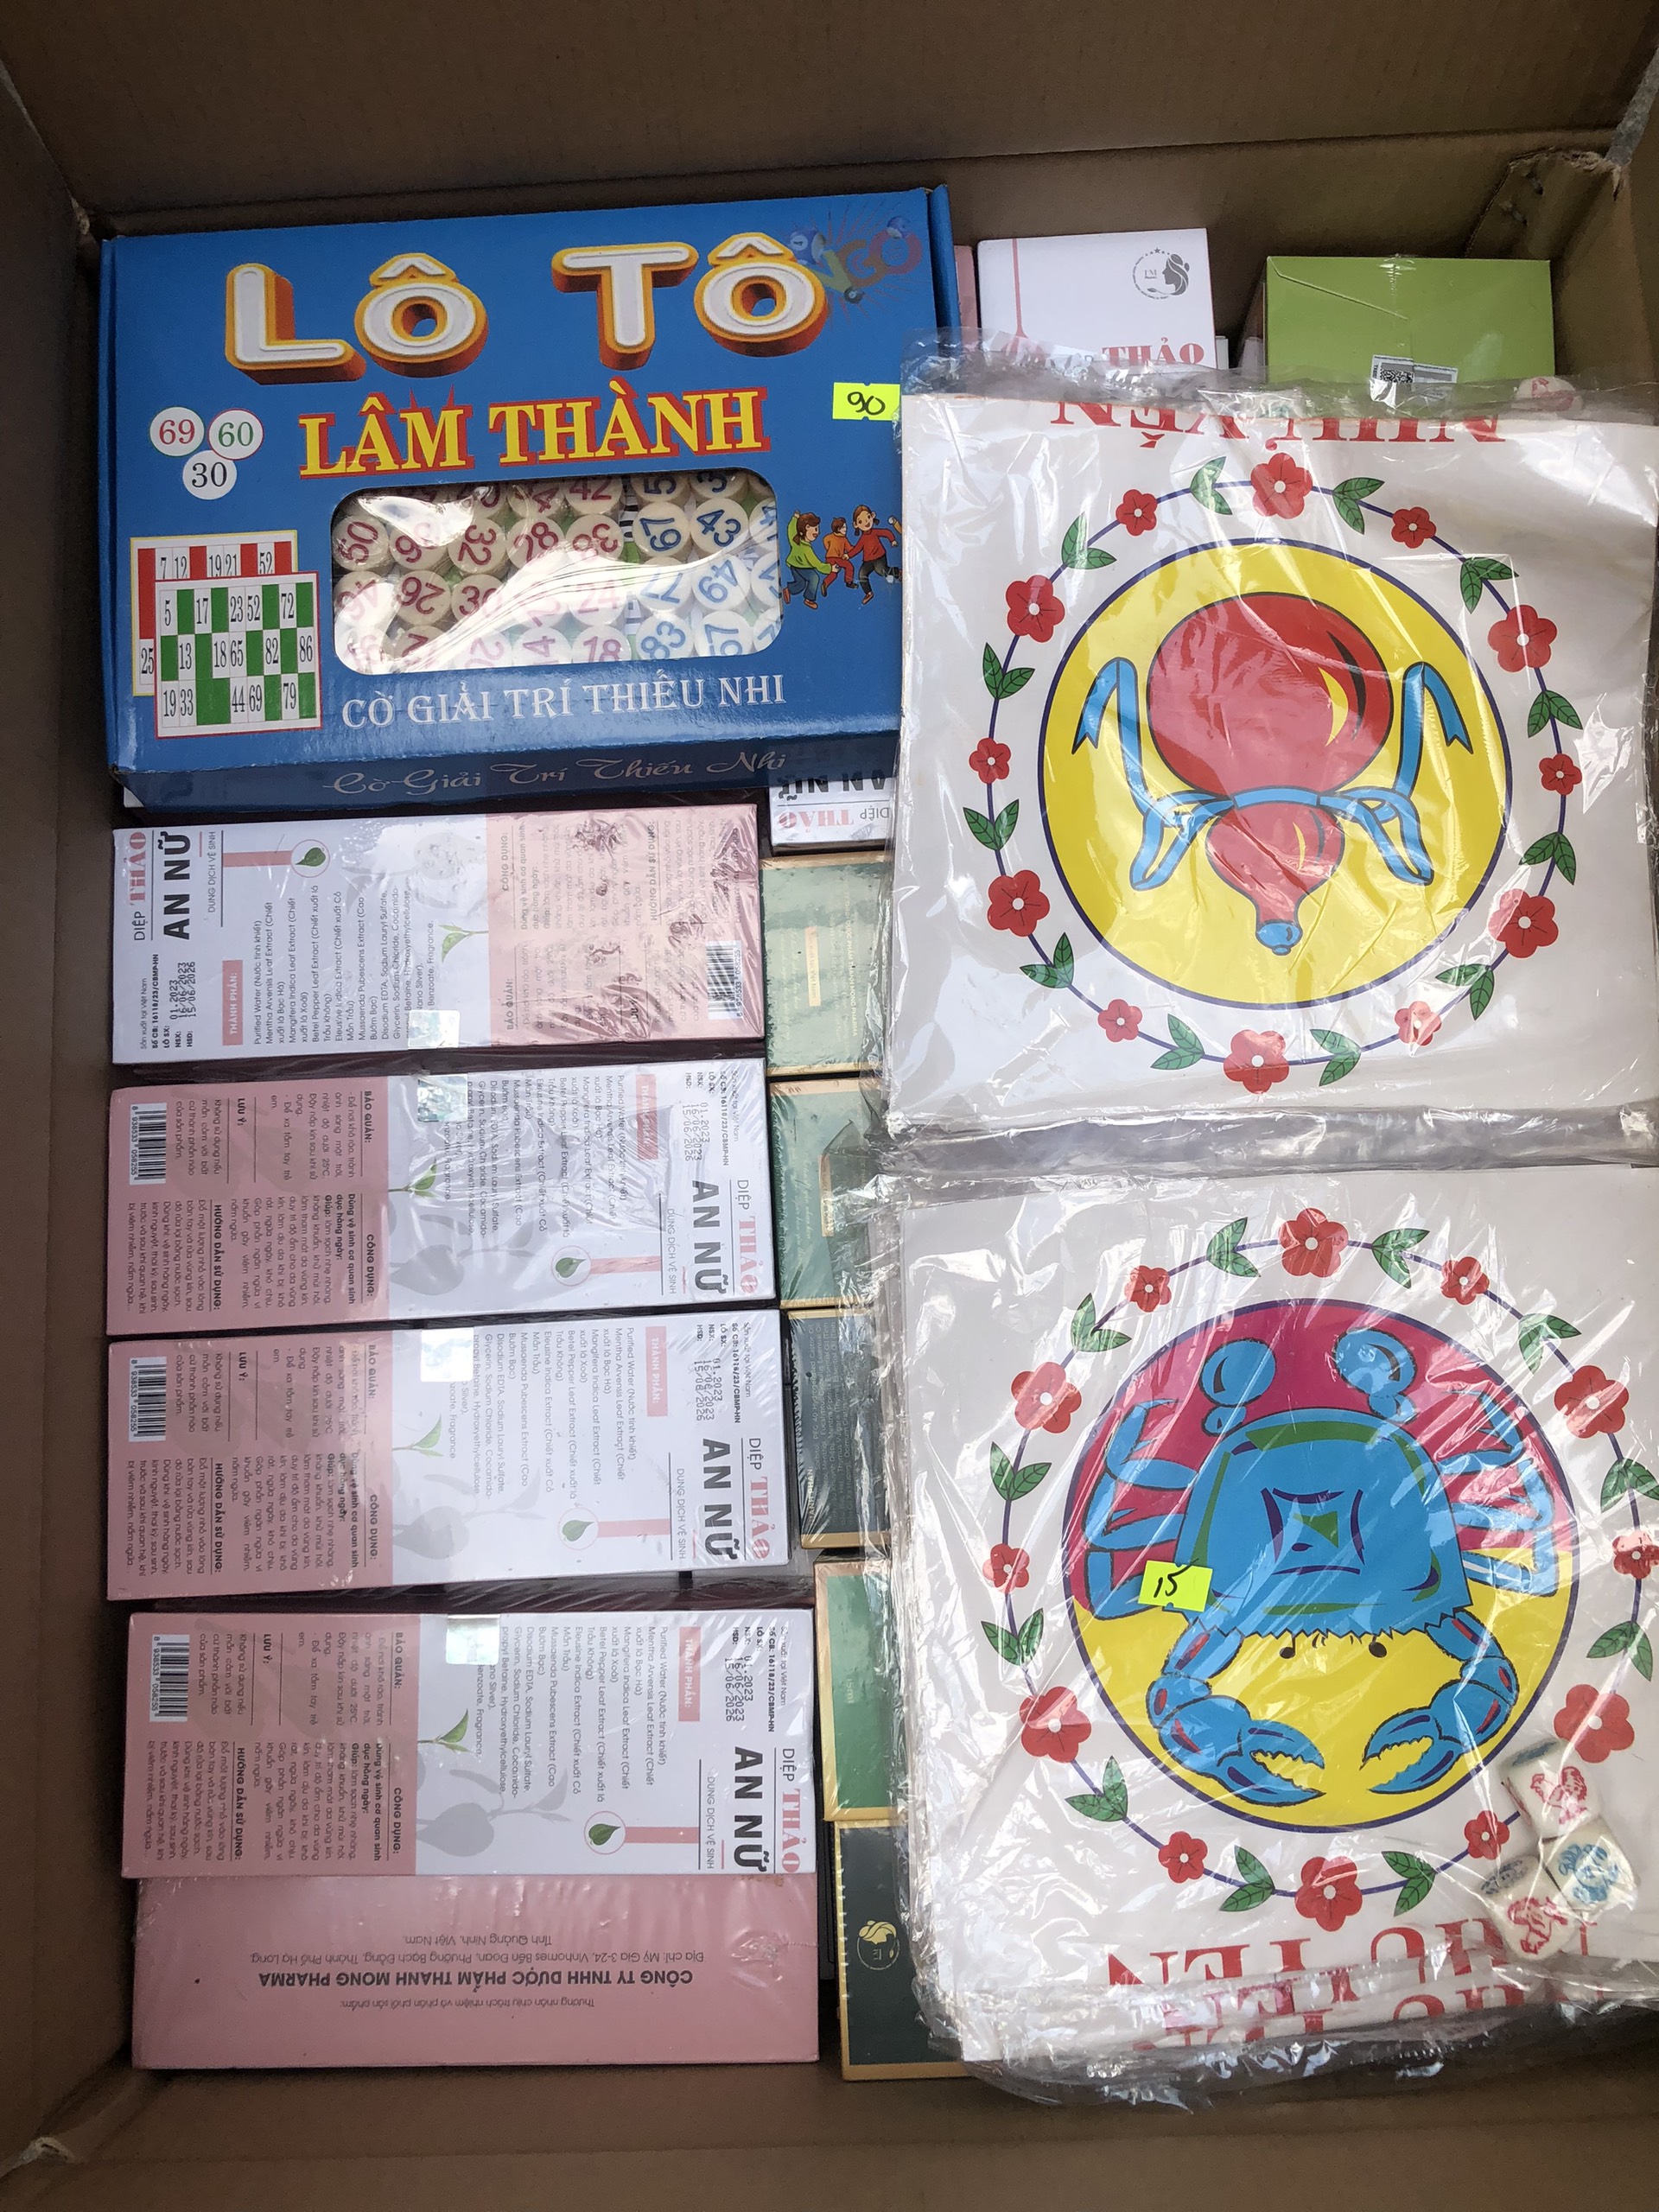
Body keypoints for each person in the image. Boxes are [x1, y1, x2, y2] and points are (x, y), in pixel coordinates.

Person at [849, 505, 901, 602]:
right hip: (868, 561)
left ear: (872, 516)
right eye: (861, 521)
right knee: (861, 574)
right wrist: (848, 555)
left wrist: (893, 540)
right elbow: (857, 549)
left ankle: (898, 572)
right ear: (856, 525)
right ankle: (868, 593)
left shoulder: (875, 532)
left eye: (868, 517)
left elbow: (886, 532)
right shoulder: (862, 539)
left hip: (879, 557)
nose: (866, 522)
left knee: (881, 571)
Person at [782, 512, 831, 607]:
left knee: (801, 584)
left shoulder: (795, 540)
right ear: (807, 527)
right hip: (803, 567)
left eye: (818, 529)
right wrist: (830, 568)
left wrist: (794, 518)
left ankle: (788, 589)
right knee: (814, 578)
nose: (818, 532)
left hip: (793, 566)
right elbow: (816, 563)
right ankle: (809, 599)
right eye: (816, 529)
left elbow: (791, 530)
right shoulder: (806, 549)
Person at [823, 515, 855, 590]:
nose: (846, 529)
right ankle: (849, 582)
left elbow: (849, 548)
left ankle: (825, 583)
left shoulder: (834, 537)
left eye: (846, 527)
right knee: (849, 566)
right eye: (843, 527)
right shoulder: (842, 539)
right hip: (837, 558)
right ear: (838, 529)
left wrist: (828, 549)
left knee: (834, 572)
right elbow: (849, 548)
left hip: (829, 558)